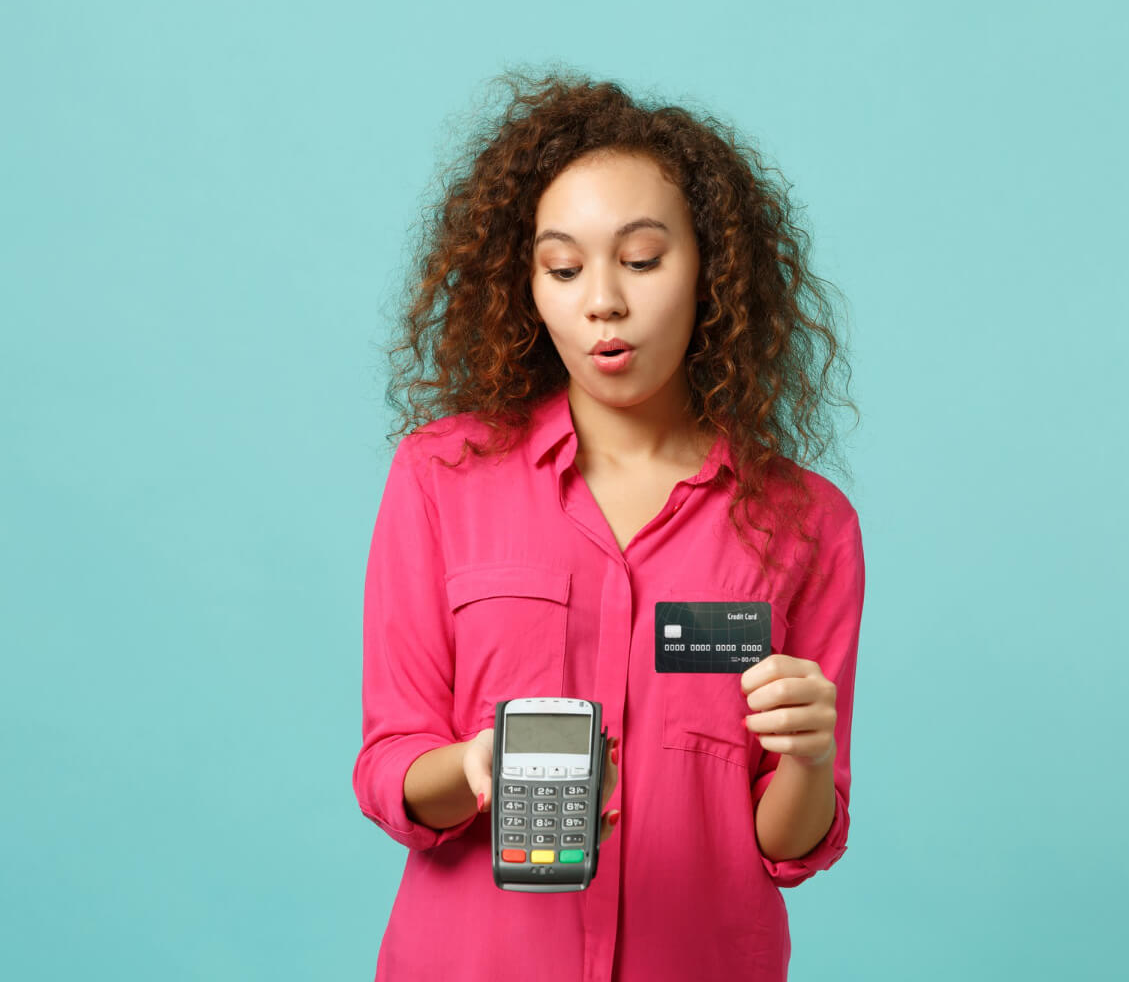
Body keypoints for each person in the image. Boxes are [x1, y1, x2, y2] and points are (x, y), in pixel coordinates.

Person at [353, 69, 866, 982]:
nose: (602, 303)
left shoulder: (806, 525)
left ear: (711, 270)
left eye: (639, 260)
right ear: (529, 286)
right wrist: (471, 766)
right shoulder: (440, 478)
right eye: (563, 267)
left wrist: (810, 759)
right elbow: (390, 762)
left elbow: (789, 845)